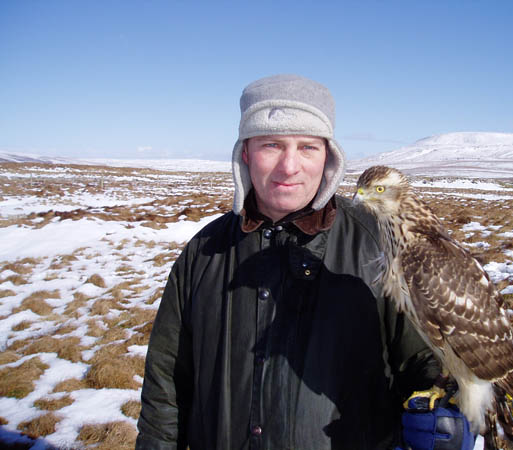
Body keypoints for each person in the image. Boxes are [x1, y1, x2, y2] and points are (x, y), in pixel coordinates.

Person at [135, 74, 472, 449]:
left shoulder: (378, 244)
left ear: (329, 156)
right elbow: (165, 386)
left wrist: (443, 410)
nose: (289, 166)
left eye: (307, 147)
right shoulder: (204, 251)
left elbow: (424, 355)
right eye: (272, 145)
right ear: (245, 153)